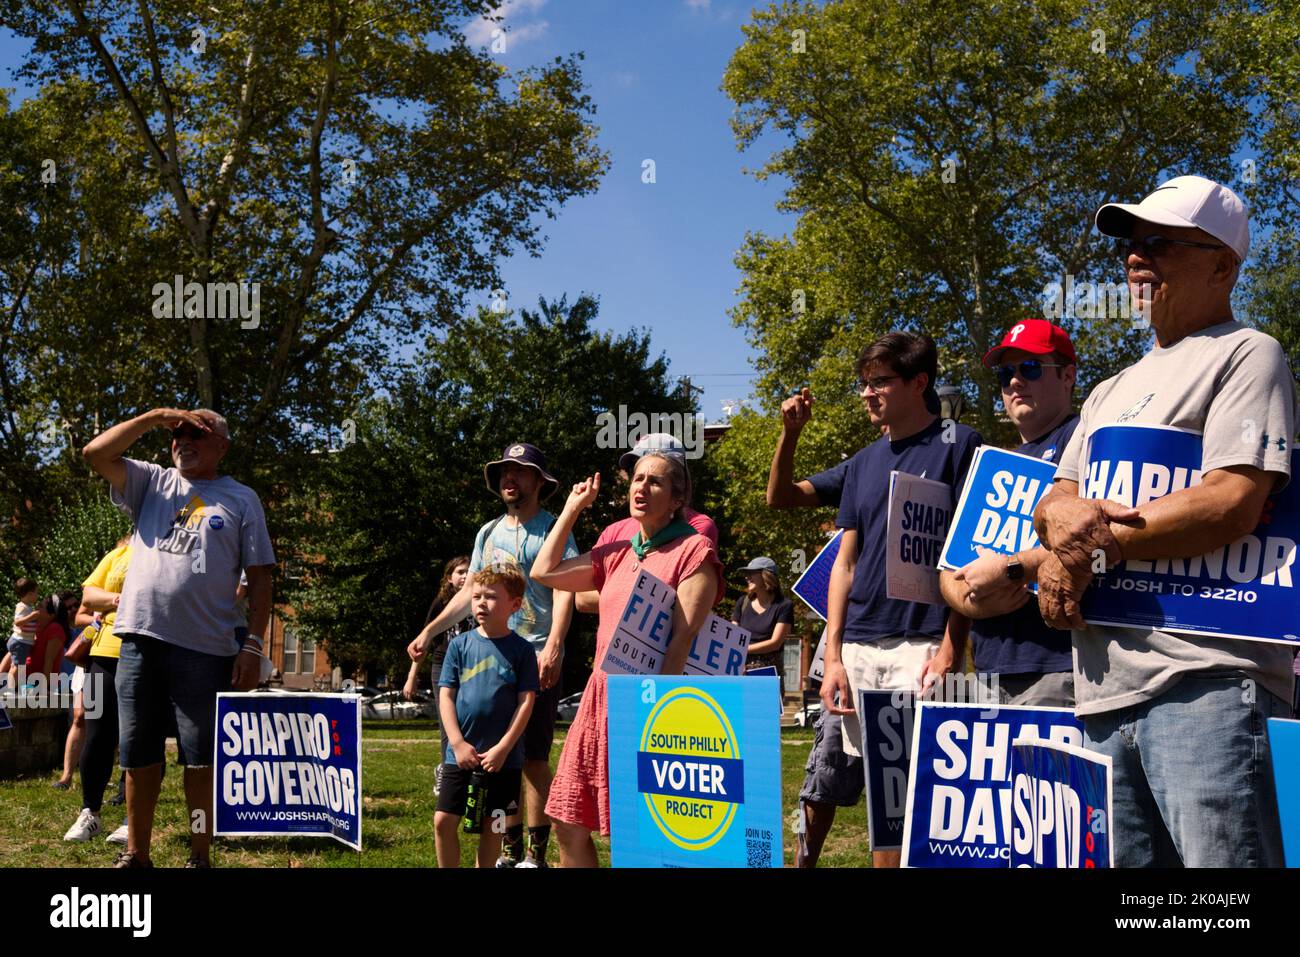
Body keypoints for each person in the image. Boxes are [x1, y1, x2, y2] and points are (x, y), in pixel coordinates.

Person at [1033, 175, 1297, 867]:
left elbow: (1230, 498)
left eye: (1158, 242)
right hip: (1101, 694)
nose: (1134, 257)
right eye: (1130, 243)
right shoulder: (1107, 389)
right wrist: (1060, 528)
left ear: (1222, 265)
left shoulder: (1249, 353)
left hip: (1207, 684)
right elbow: (1055, 499)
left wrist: (1084, 548)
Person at [82, 407, 274, 869]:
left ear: (222, 447)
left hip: (205, 649)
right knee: (137, 754)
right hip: (138, 640)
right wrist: (154, 417)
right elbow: (94, 453)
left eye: (198, 434)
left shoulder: (242, 499)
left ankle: (199, 854)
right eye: (179, 433)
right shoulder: (152, 482)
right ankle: (137, 854)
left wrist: (252, 644)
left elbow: (261, 578)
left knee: (200, 760)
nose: (184, 441)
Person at [821, 331, 981, 868]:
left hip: (926, 646)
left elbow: (970, 553)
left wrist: (950, 646)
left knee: (933, 798)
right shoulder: (862, 463)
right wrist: (834, 655)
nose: (868, 393)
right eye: (863, 384)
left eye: (880, 382)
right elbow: (844, 564)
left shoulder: (962, 444)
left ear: (919, 382)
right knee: (885, 804)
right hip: (862, 648)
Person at [531, 452, 724, 867]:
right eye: (637, 479)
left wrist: (656, 721)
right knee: (566, 817)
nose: (641, 487)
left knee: (635, 836)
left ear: (677, 499)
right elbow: (544, 573)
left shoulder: (695, 551)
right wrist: (572, 508)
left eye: (655, 482)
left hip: (648, 706)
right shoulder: (618, 549)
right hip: (598, 700)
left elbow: (681, 643)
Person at [408, 442, 576, 868]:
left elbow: (564, 588)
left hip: (535, 656)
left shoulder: (554, 529)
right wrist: (431, 630)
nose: (509, 479)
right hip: (489, 661)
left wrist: (555, 642)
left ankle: (534, 857)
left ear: (540, 481)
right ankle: (508, 849)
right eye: (504, 472)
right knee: (495, 758)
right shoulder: (488, 532)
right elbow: (469, 592)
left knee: (533, 757)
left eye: (519, 472)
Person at [937, 319, 1081, 707]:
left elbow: (1096, 544)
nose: (1015, 382)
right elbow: (950, 569)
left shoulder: (1085, 442)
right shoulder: (992, 464)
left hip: (1060, 667)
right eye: (1006, 373)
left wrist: (1010, 569)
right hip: (990, 670)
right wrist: (968, 602)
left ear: (1068, 376)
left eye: (1030, 368)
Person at [765, 386, 863, 869]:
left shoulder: (950, 456)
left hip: (912, 647)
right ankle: (802, 864)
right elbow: (780, 496)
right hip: (845, 653)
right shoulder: (860, 470)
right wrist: (790, 433)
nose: (870, 395)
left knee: (904, 794)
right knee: (820, 781)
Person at [434, 565, 539, 868]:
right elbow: (446, 695)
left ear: (515, 605)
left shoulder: (522, 651)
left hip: (503, 759)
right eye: (476, 596)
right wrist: (456, 742)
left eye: (491, 597)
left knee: (493, 826)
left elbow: (526, 701)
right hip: (460, 755)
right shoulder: (459, 645)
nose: (480, 602)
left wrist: (504, 748)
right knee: (443, 821)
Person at [63, 533, 134, 844]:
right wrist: (119, 599)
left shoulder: (167, 548)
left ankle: (133, 818)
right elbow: (89, 598)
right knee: (96, 735)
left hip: (148, 652)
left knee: (141, 737)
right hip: (103, 653)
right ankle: (90, 812)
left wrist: (111, 599)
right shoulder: (117, 555)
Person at [403, 555, 473, 796]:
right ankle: (446, 770)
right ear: (449, 577)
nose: (464, 576)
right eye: (460, 572)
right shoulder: (441, 603)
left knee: (468, 720)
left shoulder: (480, 599)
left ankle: (468, 772)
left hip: (472, 665)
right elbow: (424, 640)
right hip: (443, 665)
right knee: (447, 721)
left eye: (468, 571)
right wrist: (412, 676)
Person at [731, 557, 794, 696]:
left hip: (768, 673)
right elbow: (732, 636)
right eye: (746, 574)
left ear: (766, 575)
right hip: (739, 669)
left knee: (765, 716)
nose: (747, 577)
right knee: (737, 716)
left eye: (752, 573)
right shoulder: (742, 602)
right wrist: (737, 660)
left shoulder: (784, 605)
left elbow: (775, 643)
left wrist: (743, 650)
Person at [6, 577, 39, 688]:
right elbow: (17, 622)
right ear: (30, 594)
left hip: (21, 641)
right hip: (20, 642)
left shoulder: (27, 607)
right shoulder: (22, 607)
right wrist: (32, 616)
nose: (37, 595)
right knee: (17, 667)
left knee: (15, 666)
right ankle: (9, 689)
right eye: (36, 593)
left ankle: (13, 686)